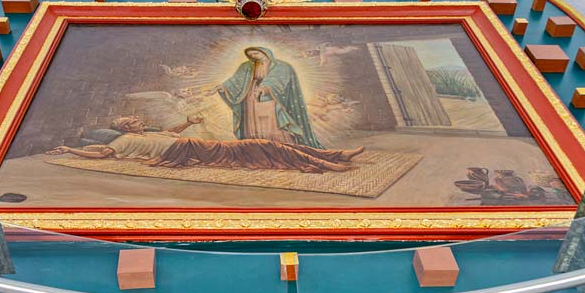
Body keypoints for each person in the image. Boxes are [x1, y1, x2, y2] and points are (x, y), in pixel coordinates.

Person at [46, 115, 363, 174]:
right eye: (133, 120)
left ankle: (334, 155)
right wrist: (70, 150)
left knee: (265, 143)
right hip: (191, 150)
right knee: (261, 147)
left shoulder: (150, 134)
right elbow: (101, 153)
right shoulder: (126, 140)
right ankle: (324, 162)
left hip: (196, 143)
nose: (139, 121)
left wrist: (188, 122)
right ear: (125, 128)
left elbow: (170, 131)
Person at [217, 47, 322, 148]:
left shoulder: (280, 66)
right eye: (251, 55)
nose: (254, 56)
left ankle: (281, 148)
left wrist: (264, 88)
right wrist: (223, 87)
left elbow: (277, 80)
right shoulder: (247, 66)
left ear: (265, 52)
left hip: (271, 97)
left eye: (256, 53)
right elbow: (236, 80)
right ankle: (256, 147)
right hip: (250, 97)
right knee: (252, 121)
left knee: (274, 121)